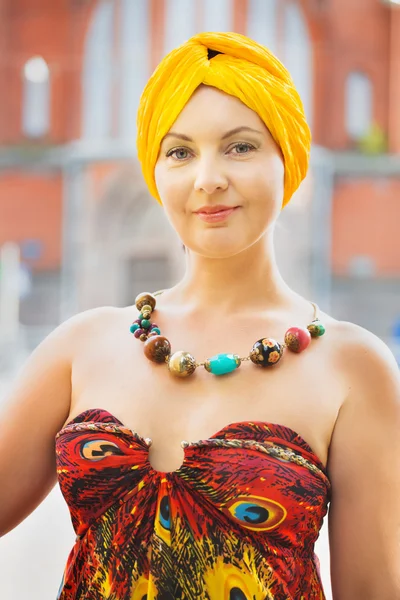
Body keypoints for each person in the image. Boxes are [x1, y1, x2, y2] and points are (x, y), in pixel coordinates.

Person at [1, 31, 399, 600]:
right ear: (155, 171)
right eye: (180, 151)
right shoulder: (80, 347)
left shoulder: (353, 367)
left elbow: (372, 588)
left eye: (239, 147)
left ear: (287, 159)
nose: (207, 178)